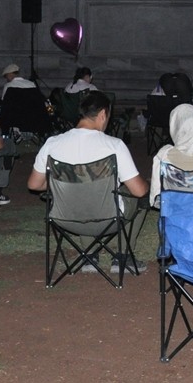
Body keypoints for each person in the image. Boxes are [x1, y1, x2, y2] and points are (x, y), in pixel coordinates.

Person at [28, 91, 150, 275]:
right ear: (103, 114)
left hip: (65, 218)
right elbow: (139, 191)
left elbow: (34, 185)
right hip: (108, 218)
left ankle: (89, 256)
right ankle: (122, 257)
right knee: (140, 192)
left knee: (80, 192)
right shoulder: (113, 145)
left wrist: (62, 184)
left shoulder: (52, 143)